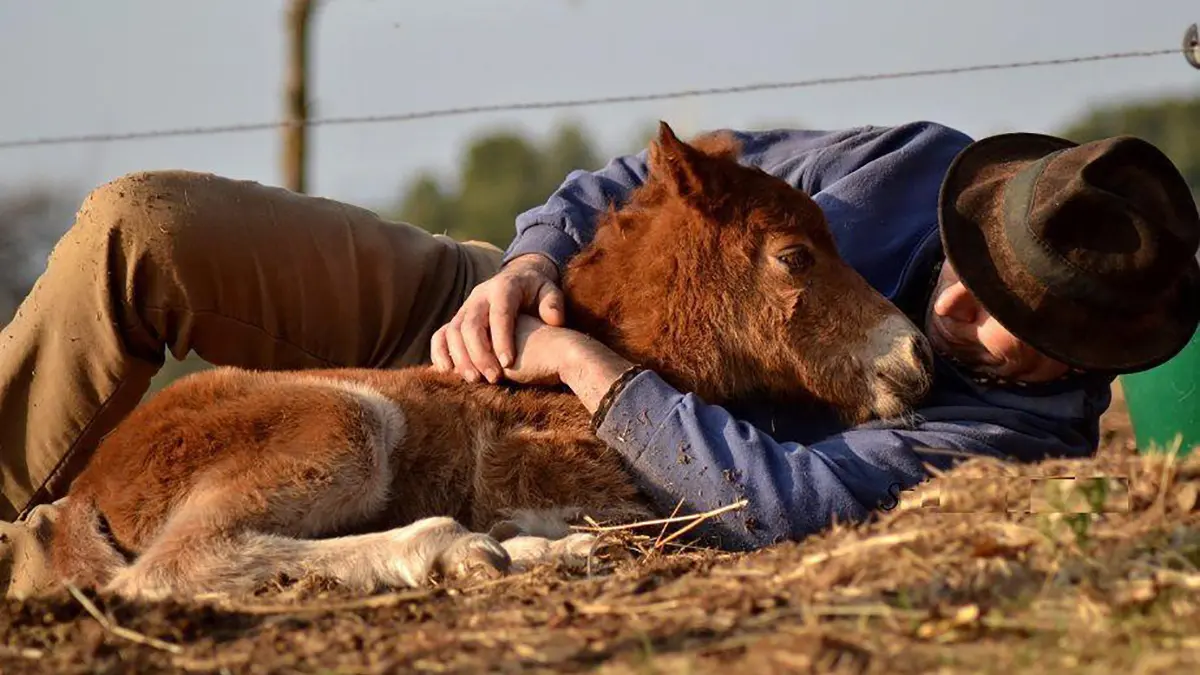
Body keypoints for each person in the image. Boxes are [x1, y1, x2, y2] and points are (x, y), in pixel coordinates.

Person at [1, 121, 1197, 598]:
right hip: (488, 308)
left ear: (1091, 361)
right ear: (978, 214)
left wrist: (580, 368)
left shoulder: (1013, 434)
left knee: (341, 467)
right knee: (143, 228)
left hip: (589, 424)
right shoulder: (903, 163)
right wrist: (527, 270)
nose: (968, 332)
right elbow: (644, 177)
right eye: (973, 284)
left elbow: (788, 502)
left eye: (1024, 340)